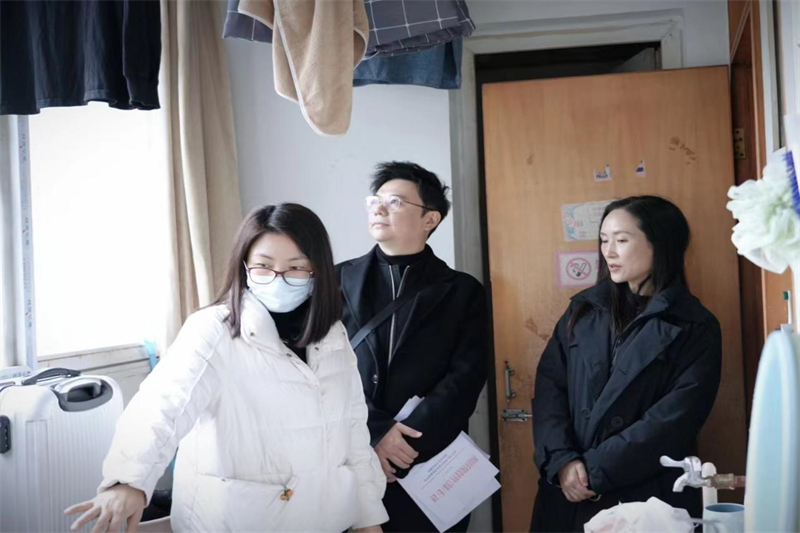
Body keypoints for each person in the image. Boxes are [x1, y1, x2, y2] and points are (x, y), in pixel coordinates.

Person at [66, 204, 388, 533]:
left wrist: (369, 517)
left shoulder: (333, 336)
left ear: (317, 271)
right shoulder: (213, 330)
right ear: (244, 267)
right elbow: (162, 406)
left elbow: (352, 431)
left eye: (295, 268)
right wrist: (128, 481)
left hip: (324, 520)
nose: (278, 278)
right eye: (264, 266)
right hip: (236, 520)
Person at [530, 196, 722, 532]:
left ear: (661, 244)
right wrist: (562, 460)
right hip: (567, 488)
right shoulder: (583, 310)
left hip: (644, 494)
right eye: (604, 240)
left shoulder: (695, 325)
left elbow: (675, 419)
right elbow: (550, 390)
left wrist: (594, 471)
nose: (608, 251)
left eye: (621, 240)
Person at [336, 162, 488, 532]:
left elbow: (465, 378)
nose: (379, 208)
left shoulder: (462, 290)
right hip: (352, 453)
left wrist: (404, 445)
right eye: (375, 200)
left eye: (395, 201)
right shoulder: (336, 279)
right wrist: (377, 432)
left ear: (430, 219)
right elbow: (321, 369)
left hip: (429, 461)